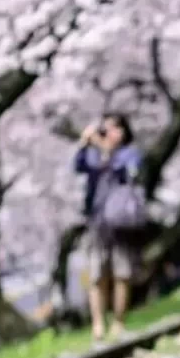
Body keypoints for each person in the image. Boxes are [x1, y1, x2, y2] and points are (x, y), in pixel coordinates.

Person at [74, 113, 141, 340]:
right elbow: (78, 166)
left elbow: (130, 173)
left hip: (121, 221)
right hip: (97, 221)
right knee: (96, 274)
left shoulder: (129, 154)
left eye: (115, 128)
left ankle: (119, 322)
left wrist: (107, 151)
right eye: (106, 129)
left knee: (122, 273)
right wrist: (84, 144)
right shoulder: (95, 156)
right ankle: (98, 323)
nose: (110, 133)